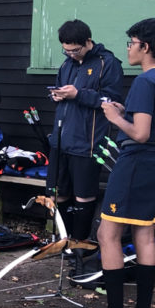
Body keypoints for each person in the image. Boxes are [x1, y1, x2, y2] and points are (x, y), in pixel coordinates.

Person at [72, 18, 155, 308]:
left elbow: (142, 133)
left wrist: (116, 117)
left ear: (145, 47)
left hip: (137, 162)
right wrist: (127, 112)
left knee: (108, 233)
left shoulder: (146, 82)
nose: (129, 48)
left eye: (131, 43)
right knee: (144, 234)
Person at [48, 19, 123, 241]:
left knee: (83, 196)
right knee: (58, 193)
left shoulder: (107, 62)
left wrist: (78, 95)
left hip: (88, 142)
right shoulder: (66, 64)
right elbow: (61, 90)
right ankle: (63, 240)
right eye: (66, 50)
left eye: (75, 50)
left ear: (88, 41)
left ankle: (79, 244)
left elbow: (114, 101)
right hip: (60, 139)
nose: (71, 54)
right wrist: (56, 95)